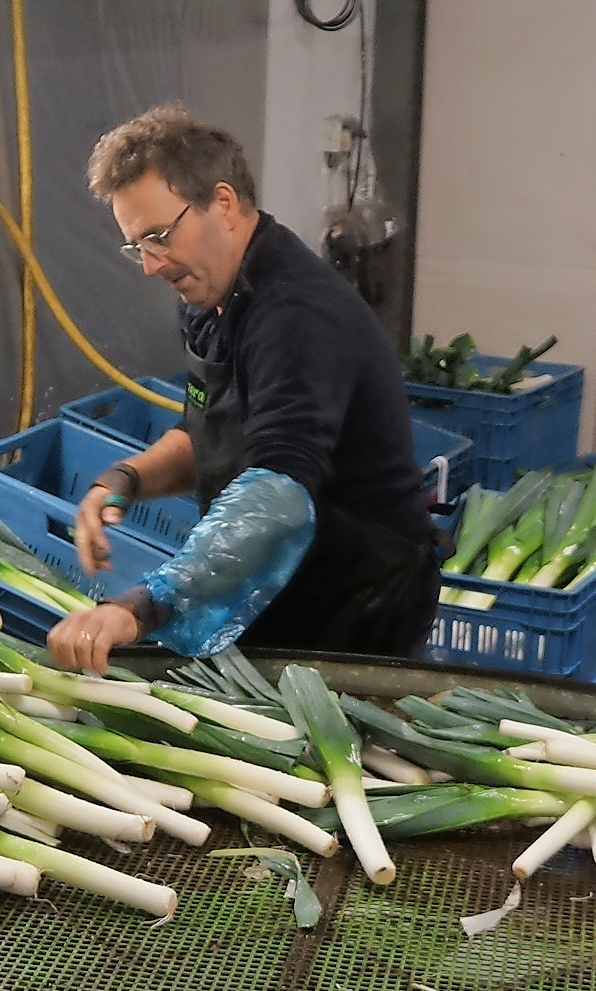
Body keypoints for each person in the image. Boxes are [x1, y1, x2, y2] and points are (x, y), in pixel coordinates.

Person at [46, 103, 441, 676]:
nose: (150, 266)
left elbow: (279, 493)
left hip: (355, 602)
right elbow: (213, 432)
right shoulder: (209, 295)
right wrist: (127, 480)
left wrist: (143, 607)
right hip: (275, 579)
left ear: (223, 204)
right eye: (137, 247)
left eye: (158, 237)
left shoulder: (296, 315)